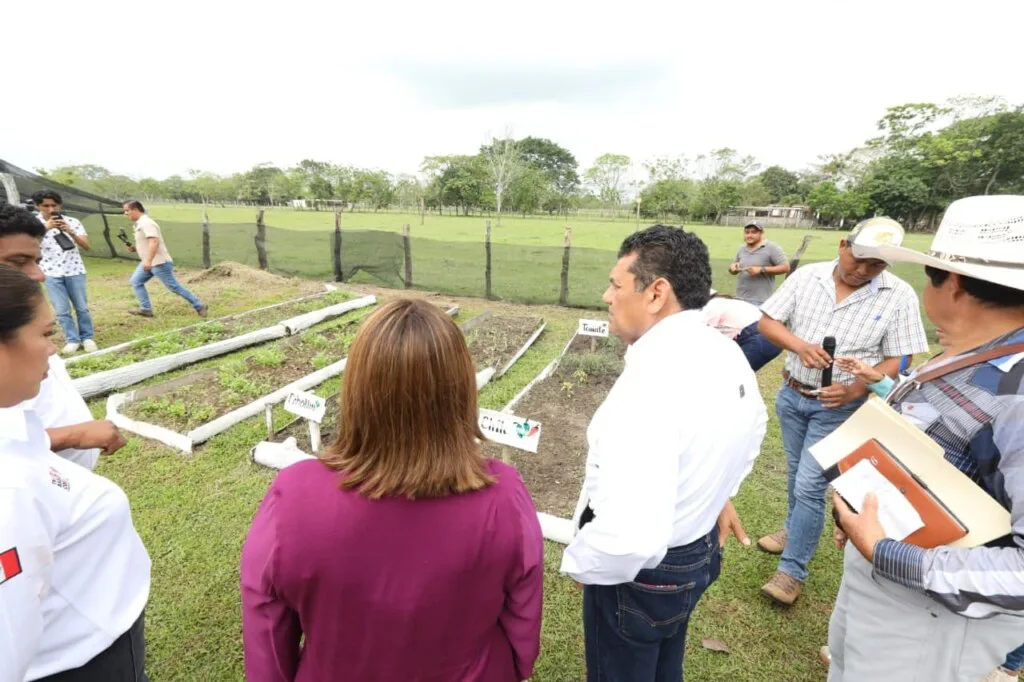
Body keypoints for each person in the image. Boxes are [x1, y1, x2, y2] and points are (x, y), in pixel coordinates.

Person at [241, 298, 544, 682]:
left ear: (356, 388)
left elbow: (266, 629)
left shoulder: (293, 497)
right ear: (461, 391)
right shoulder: (505, 498)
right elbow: (523, 630)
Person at [823, 195, 1024, 681]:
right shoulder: (977, 350)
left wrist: (887, 552)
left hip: (931, 619)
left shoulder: (1017, 391)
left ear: (951, 284)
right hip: (886, 582)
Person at [560, 225, 768, 682]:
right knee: (663, 663)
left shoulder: (649, 385)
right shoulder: (724, 350)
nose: (607, 296)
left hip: (644, 576)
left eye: (616, 285)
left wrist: (582, 565)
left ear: (656, 293)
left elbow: (629, 539)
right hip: (697, 553)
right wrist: (717, 494)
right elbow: (753, 430)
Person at [755, 216, 929, 606]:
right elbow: (768, 323)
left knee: (809, 484)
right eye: (859, 259)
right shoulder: (808, 277)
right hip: (793, 394)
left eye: (877, 264)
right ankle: (793, 528)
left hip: (839, 408)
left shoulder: (898, 294)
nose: (864, 270)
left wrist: (854, 390)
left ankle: (791, 571)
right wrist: (800, 346)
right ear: (842, 245)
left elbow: (900, 357)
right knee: (796, 471)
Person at [0, 264, 152, 681]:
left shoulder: (14, 431)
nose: (53, 349)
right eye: (46, 334)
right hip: (78, 661)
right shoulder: (8, 489)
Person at [0, 204, 126, 469]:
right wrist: (73, 435)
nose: (39, 275)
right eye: (18, 262)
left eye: (37, 261)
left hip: (63, 474)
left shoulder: (20, 321)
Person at [33, 190, 97, 355]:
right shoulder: (33, 224)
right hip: (50, 272)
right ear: (37, 206)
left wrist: (70, 231)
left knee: (82, 307)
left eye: (54, 205)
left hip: (74, 270)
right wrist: (45, 229)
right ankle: (72, 339)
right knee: (62, 310)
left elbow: (86, 246)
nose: (50, 209)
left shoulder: (73, 221)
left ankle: (87, 337)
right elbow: (29, 245)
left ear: (60, 205)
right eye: (45, 206)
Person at [122, 200, 207, 319]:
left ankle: (199, 305)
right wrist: (134, 248)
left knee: (174, 287)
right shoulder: (139, 224)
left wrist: (148, 261)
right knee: (136, 281)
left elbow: (154, 241)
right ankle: (146, 309)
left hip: (159, 262)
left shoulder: (147, 223)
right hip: (149, 261)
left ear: (136, 209)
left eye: (127, 210)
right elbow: (147, 243)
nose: (125, 213)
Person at [703, 289, 782, 371]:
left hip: (758, 336)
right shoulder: (723, 301)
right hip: (772, 336)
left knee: (728, 374)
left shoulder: (710, 307)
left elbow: (708, 339)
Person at [728, 220, 790, 304]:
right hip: (740, 298)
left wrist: (761, 269)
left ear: (761, 233)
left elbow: (786, 267)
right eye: (747, 232)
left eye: (753, 232)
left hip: (760, 301)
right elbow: (733, 269)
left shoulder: (772, 248)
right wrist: (732, 268)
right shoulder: (741, 249)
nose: (749, 235)